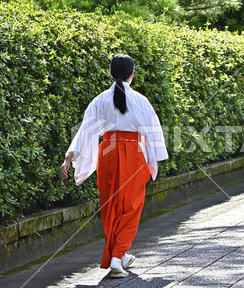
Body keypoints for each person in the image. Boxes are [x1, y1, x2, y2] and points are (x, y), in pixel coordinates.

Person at [60, 54, 168, 278]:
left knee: (111, 207)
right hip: (134, 154)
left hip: (108, 152)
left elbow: (86, 131)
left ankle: (121, 255)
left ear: (110, 74)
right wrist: (152, 160)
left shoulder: (99, 100)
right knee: (131, 205)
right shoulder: (140, 100)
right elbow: (153, 131)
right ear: (132, 75)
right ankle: (117, 259)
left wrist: (70, 156)